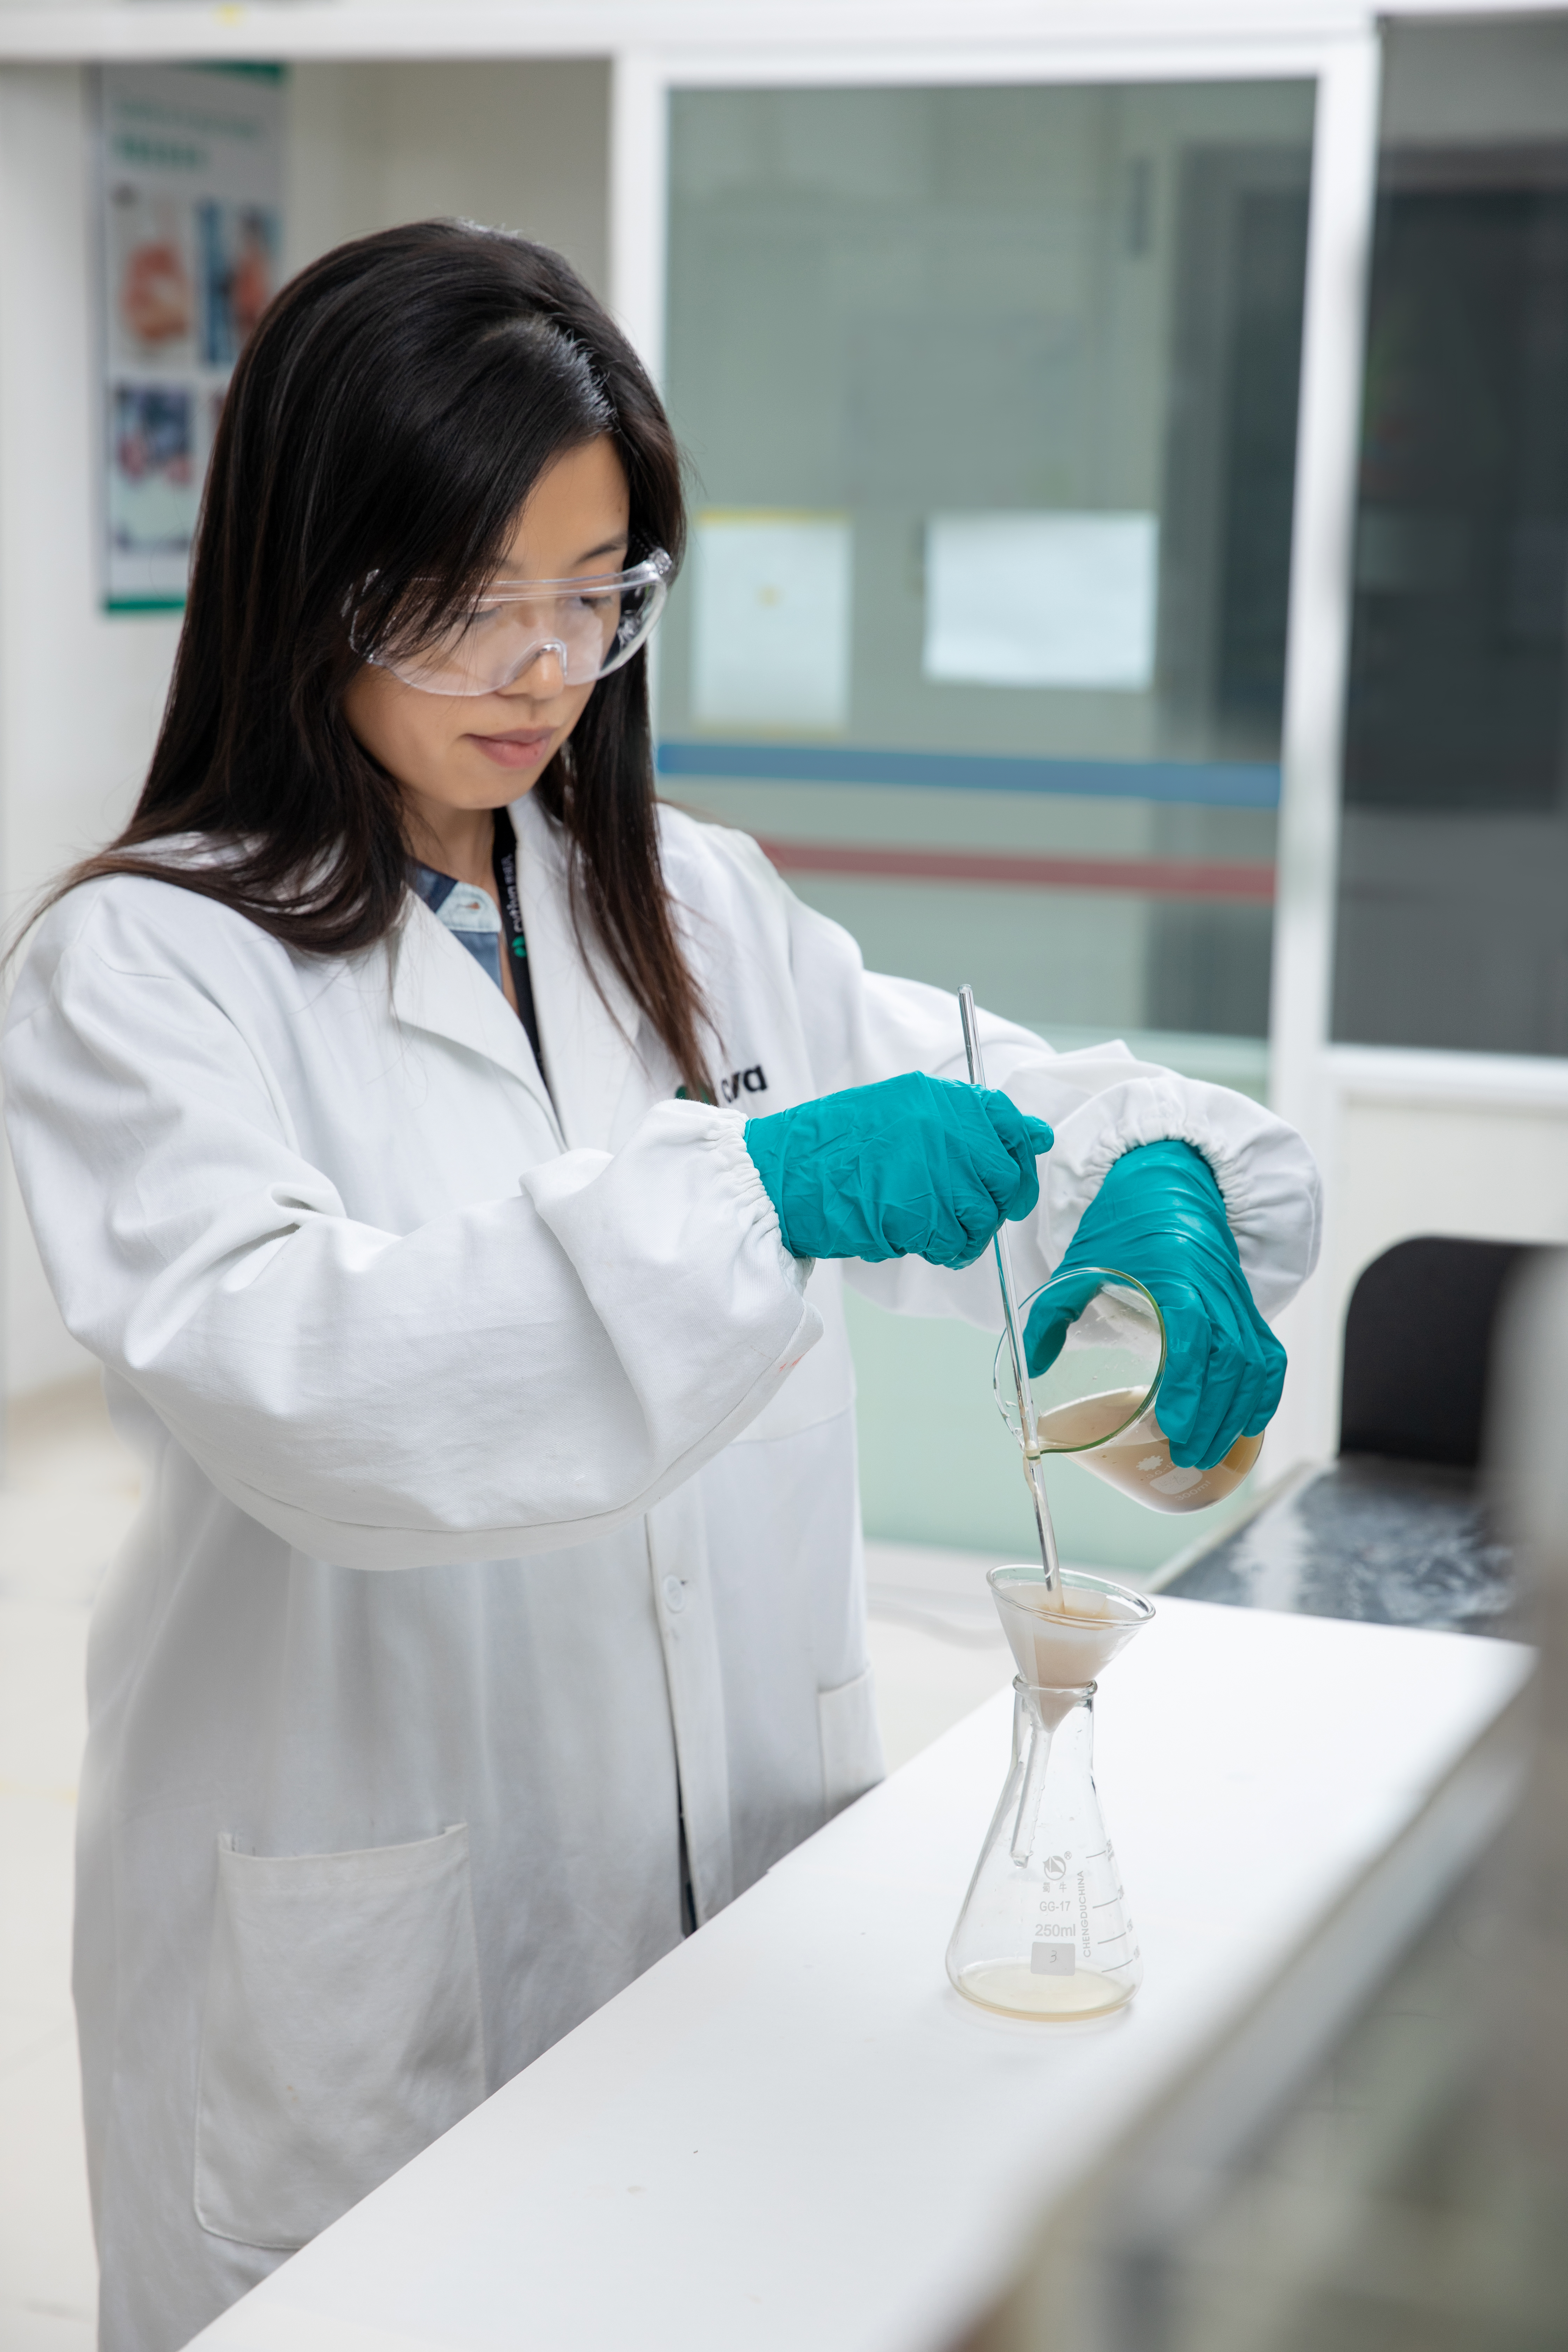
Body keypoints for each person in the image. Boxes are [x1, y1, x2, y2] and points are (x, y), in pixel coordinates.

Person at [1, 223, 1321, 2350]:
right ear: (305, 576)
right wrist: (756, 1197)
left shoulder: (684, 899)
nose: (542, 669)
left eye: (596, 593)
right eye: (468, 600)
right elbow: (315, 1393)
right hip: (374, 1947)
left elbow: (965, 1107)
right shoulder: (147, 968)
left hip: (738, 1870)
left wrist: (1149, 1166)